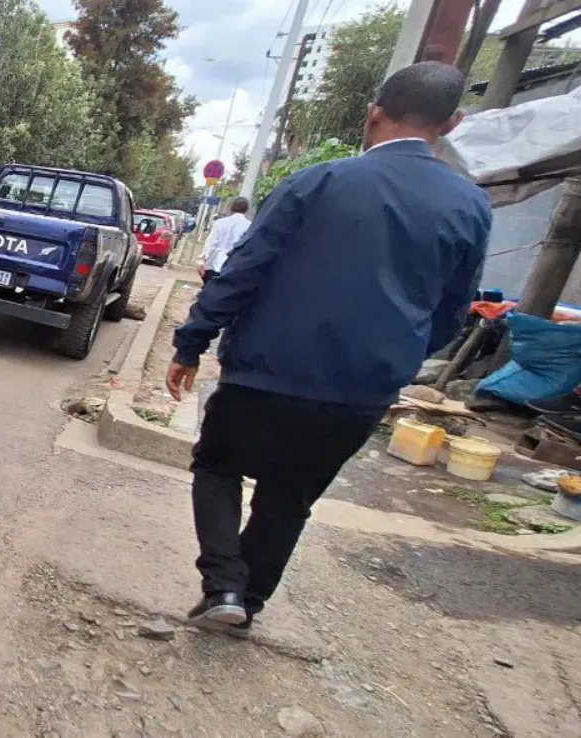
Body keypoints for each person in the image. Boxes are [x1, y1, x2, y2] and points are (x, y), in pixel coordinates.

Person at [165, 62, 492, 636]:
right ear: (453, 123)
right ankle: (246, 602)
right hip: (361, 392)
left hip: (265, 372)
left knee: (217, 465)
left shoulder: (318, 181)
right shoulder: (470, 206)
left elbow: (244, 271)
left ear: (373, 114)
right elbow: (451, 312)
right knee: (289, 498)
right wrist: (398, 358)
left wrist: (192, 342)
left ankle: (224, 587)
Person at [197, 197, 252, 283]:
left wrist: (202, 261)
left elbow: (211, 243)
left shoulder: (220, 223)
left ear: (231, 208)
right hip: (234, 268)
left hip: (215, 264)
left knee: (210, 288)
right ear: (247, 210)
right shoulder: (249, 226)